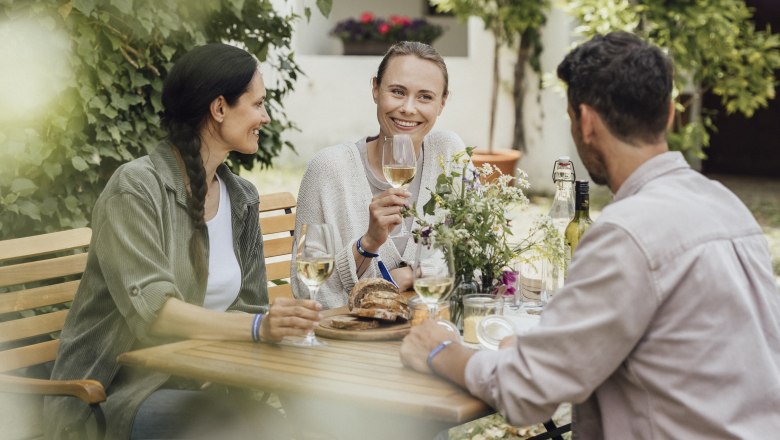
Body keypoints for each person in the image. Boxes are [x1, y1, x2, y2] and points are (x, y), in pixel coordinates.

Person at [400, 31, 780, 439]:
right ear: (669, 114)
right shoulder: (725, 204)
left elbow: (526, 393)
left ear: (585, 121)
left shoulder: (627, 232)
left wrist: (439, 350)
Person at [44, 43, 321, 440]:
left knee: (314, 410)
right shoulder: (136, 189)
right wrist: (259, 327)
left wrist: (266, 329)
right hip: (110, 397)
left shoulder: (241, 197)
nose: (265, 116)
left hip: (206, 381)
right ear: (219, 108)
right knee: (253, 428)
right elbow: (156, 313)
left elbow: (250, 305)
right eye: (258, 104)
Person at [292, 41, 466, 308]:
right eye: (397, 92)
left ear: (442, 103)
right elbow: (309, 292)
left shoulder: (448, 153)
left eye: (425, 97)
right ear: (375, 89)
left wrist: (410, 274)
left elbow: (479, 259)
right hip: (353, 340)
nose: (409, 108)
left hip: (430, 328)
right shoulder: (329, 170)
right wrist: (369, 243)